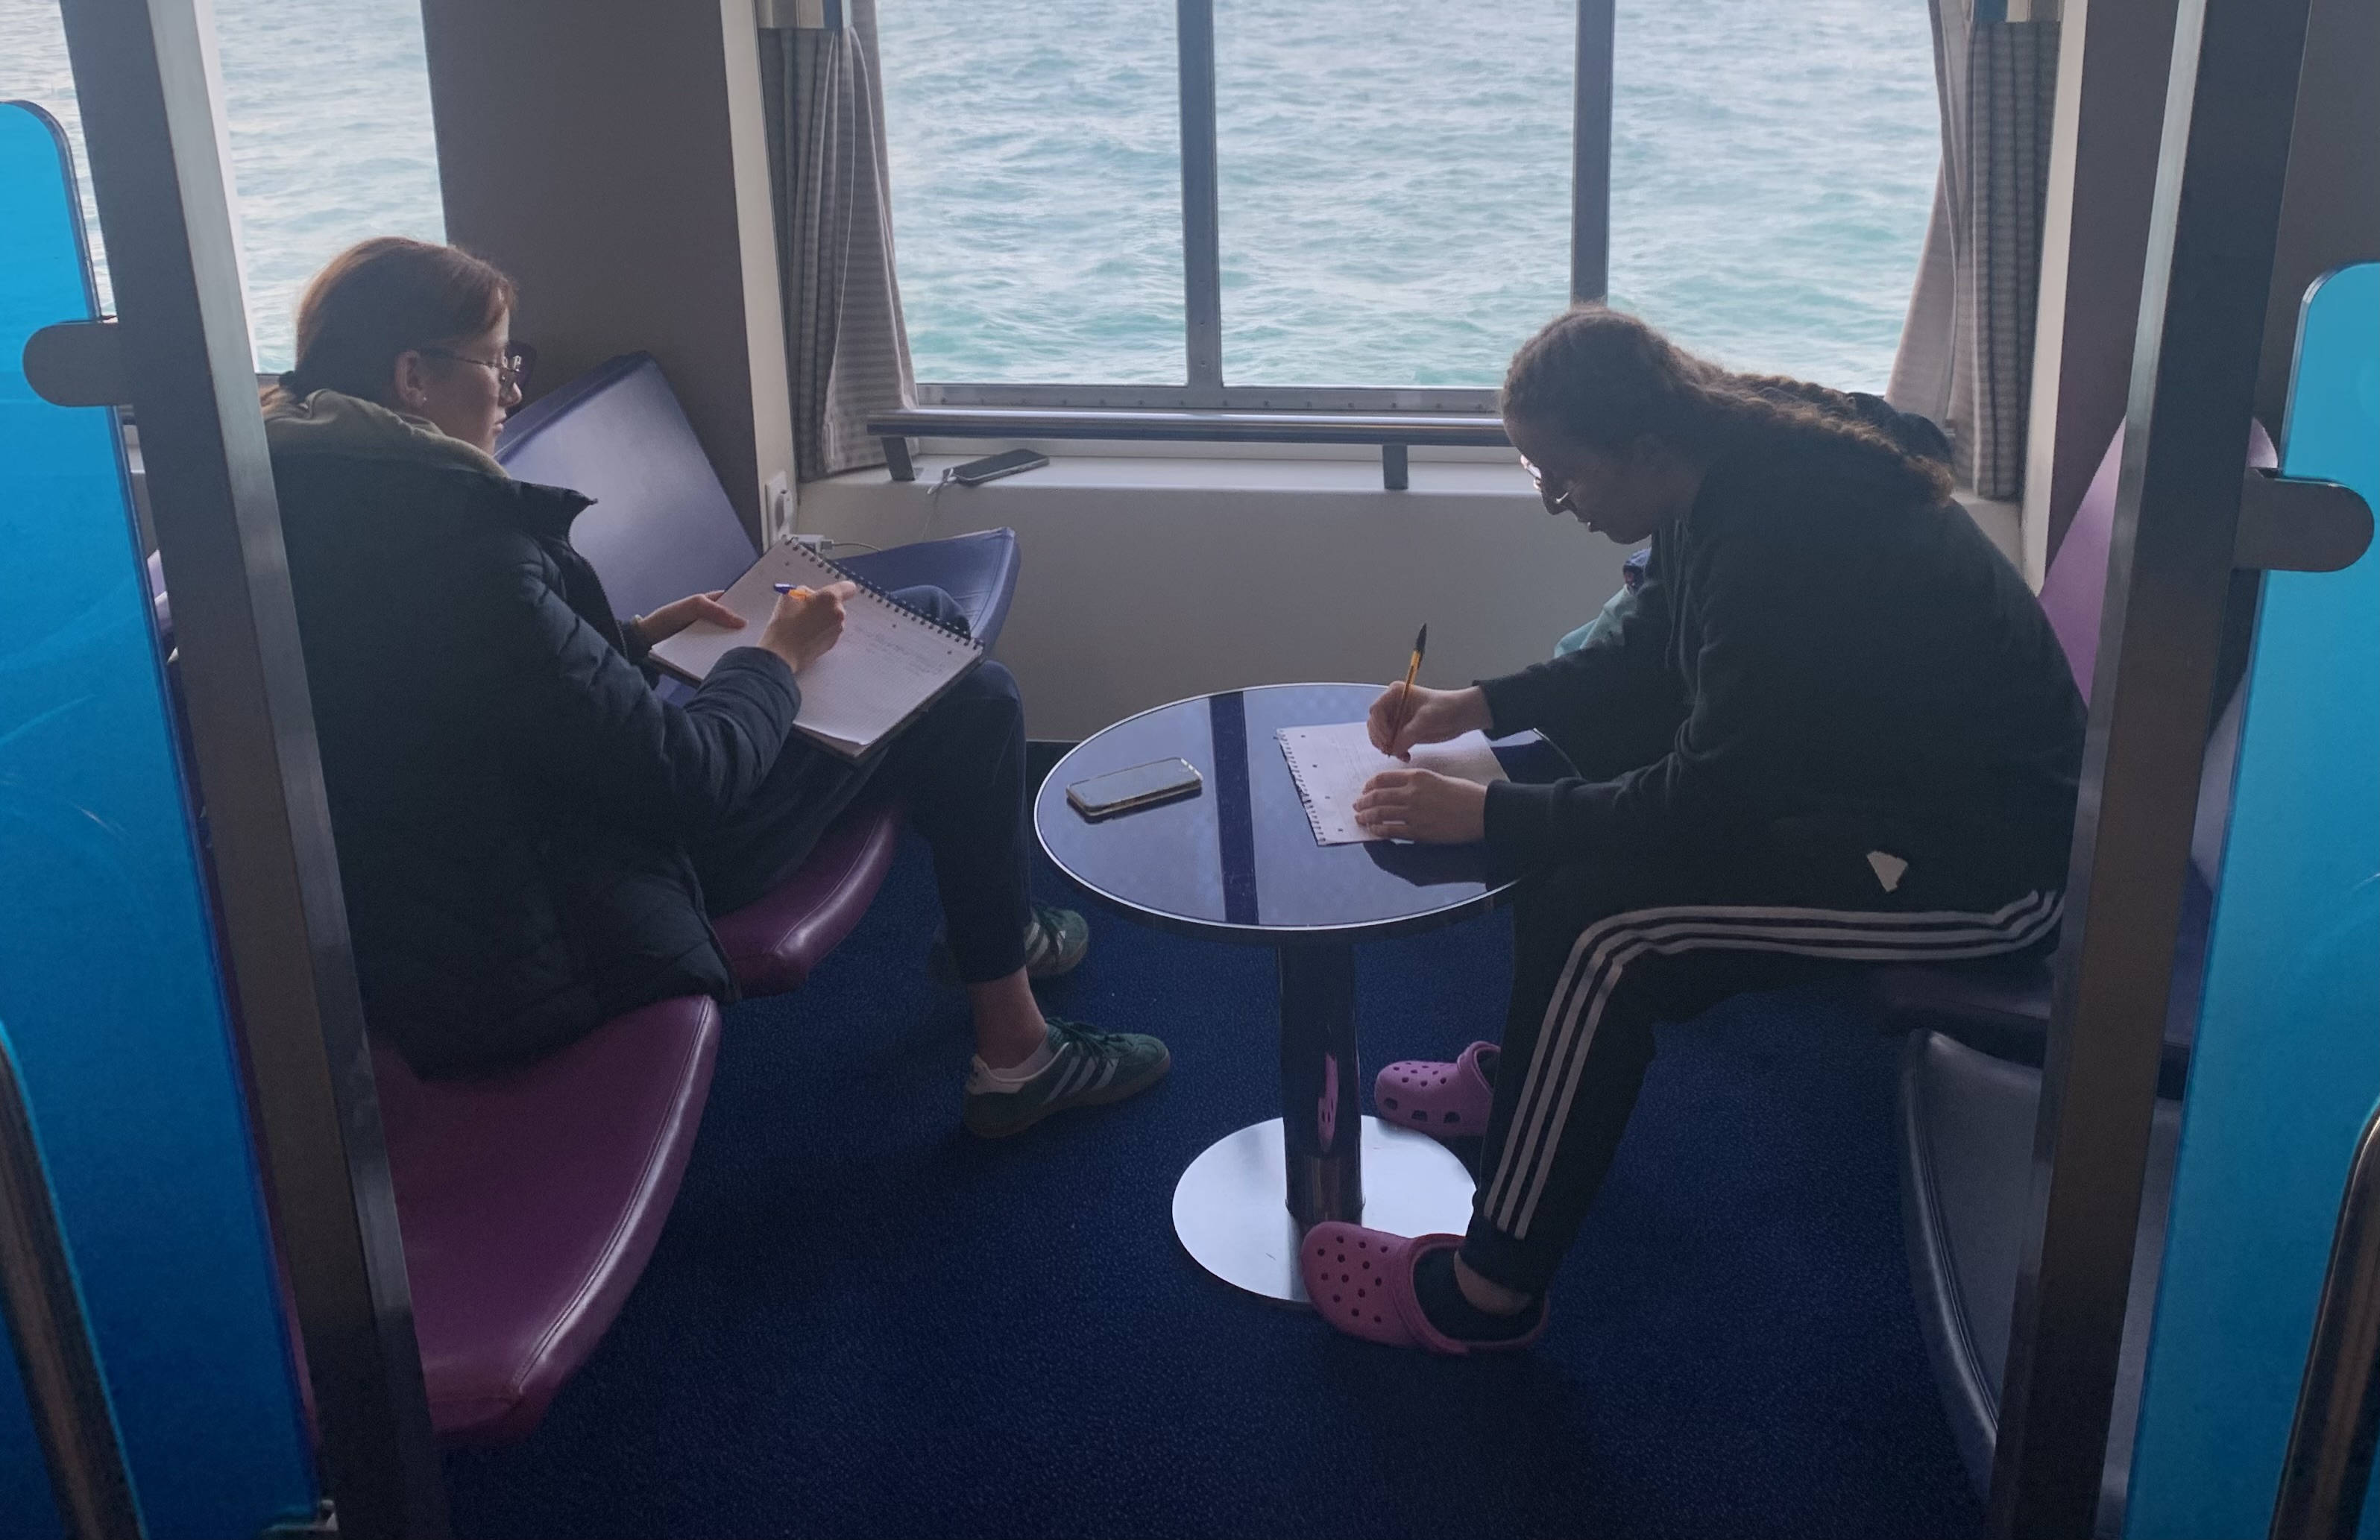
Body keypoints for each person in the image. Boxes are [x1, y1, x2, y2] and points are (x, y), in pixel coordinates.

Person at [1302, 306, 2084, 1353]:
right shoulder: (1718, 470)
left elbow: (1714, 797)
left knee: (1608, 933)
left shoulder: (1780, 541)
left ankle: (1488, 1293)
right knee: (1576, 812)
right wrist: (1479, 704)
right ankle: (1531, 1082)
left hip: (1988, 872)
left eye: (1564, 477)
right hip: (1873, 792)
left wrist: (1487, 809)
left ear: (1642, 449)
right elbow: (1644, 652)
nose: (1556, 503)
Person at [260, 236, 1165, 1137]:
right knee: (974, 695)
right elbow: (686, 781)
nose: (511, 390)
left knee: (924, 620)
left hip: (511, 853)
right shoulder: (455, 550)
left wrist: (633, 638)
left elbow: (480, 691)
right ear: (413, 377)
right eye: (496, 362)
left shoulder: (324, 505)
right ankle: (1015, 1048)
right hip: (586, 894)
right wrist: (773, 657)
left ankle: (993, 927)